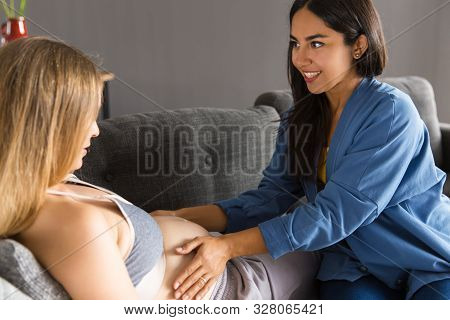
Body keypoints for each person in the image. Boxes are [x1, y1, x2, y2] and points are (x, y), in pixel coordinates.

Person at [152, 0, 450, 300]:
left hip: (425, 255)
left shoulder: (391, 112)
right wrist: (176, 216)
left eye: (317, 43)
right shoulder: (300, 117)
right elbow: (268, 199)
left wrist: (227, 247)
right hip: (352, 263)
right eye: (295, 43)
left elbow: (335, 215)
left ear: (358, 46)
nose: (300, 58)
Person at [0, 36, 320, 300]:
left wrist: (178, 219)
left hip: (226, 261)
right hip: (235, 291)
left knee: (324, 218)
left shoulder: (53, 182)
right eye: (85, 119)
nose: (95, 131)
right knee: (330, 241)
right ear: (47, 126)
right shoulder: (71, 225)